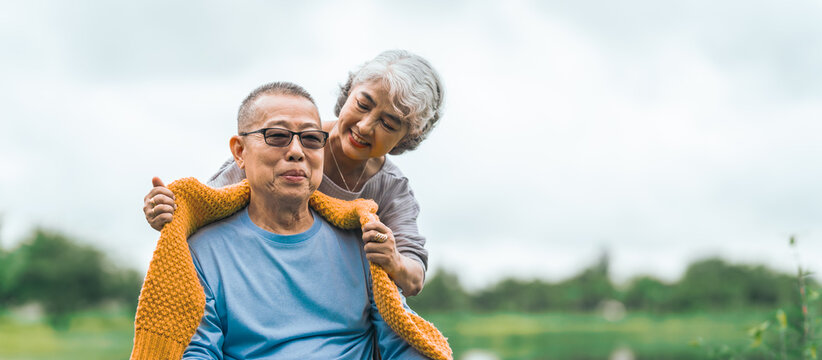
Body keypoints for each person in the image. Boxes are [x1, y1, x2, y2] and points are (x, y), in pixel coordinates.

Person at [144, 50, 443, 296]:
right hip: (257, 286)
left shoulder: (391, 189)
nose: (365, 126)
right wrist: (166, 209)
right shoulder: (284, 146)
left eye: (388, 124)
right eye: (362, 104)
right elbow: (204, 204)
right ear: (348, 92)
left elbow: (414, 278)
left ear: (408, 136)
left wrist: (395, 262)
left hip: (334, 300)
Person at [182, 82, 427, 359]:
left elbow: (403, 342)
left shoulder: (363, 243)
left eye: (311, 138)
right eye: (276, 135)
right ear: (240, 152)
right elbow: (197, 351)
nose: (297, 151)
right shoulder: (202, 251)